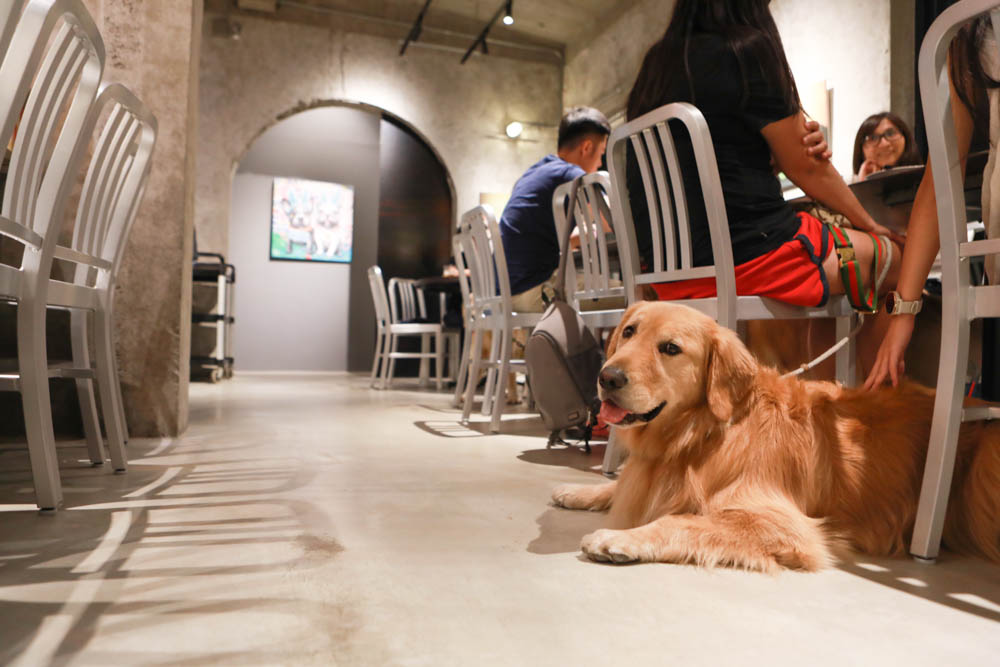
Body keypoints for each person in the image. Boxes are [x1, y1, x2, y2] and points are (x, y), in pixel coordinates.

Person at [623, 0, 903, 372]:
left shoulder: (656, 64)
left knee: (835, 278)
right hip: (752, 257)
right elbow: (809, 171)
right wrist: (870, 225)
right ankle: (866, 407)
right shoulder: (747, 49)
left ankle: (821, 399)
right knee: (899, 258)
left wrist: (771, 154)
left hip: (671, 275)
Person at [865, 16, 992, 389]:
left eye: (889, 133)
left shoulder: (968, 28)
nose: (882, 141)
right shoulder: (968, 31)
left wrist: (903, 310)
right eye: (873, 137)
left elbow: (941, 178)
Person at [499, 107, 611, 313]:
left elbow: (553, 238)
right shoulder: (571, 174)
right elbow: (611, 221)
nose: (600, 163)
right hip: (534, 290)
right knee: (633, 292)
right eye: (601, 153)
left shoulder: (538, 171)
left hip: (508, 290)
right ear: (586, 148)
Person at [853, 111, 923, 181]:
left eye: (890, 133)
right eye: (873, 138)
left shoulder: (928, 177)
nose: (884, 144)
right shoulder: (848, 188)